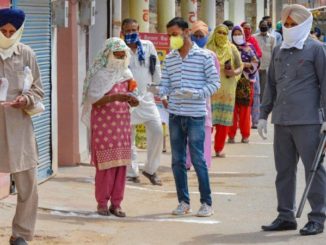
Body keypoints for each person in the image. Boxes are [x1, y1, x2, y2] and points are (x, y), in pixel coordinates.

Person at [258, 4, 326, 236]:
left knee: (313, 170)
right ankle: (285, 215)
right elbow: (272, 85)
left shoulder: (317, 50)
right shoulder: (279, 50)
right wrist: (263, 115)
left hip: (308, 120)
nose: (288, 28)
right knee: (284, 170)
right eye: (285, 25)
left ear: (304, 24)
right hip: (283, 120)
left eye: (293, 24)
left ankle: (317, 217)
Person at [155, 17, 219, 216]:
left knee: (198, 159)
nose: (171, 38)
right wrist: (159, 92)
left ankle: (206, 203)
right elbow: (165, 83)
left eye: (174, 34)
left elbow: (214, 84)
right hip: (175, 114)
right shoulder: (171, 58)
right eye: (169, 35)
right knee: (177, 160)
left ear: (186, 32)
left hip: (196, 115)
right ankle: (183, 201)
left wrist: (196, 93)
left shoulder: (204, 57)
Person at [0, 8, 44, 245]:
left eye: (12, 31)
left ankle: (21, 235)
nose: (7, 35)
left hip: (20, 127)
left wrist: (25, 99)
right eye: (3, 31)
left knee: (28, 184)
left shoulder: (27, 54)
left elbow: (38, 89)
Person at [82, 37, 139, 218]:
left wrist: (133, 99)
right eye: (117, 54)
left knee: (121, 165)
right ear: (108, 54)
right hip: (104, 125)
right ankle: (101, 203)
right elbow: (93, 99)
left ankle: (117, 203)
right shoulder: (99, 74)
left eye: (123, 54)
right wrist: (114, 98)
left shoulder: (126, 74)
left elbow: (133, 95)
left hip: (122, 124)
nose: (120, 58)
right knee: (106, 166)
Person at [121, 18, 163, 185]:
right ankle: (132, 172)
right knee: (128, 138)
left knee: (157, 130)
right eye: (128, 31)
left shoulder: (147, 46)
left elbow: (156, 68)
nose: (131, 33)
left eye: (134, 30)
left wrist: (161, 92)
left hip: (146, 98)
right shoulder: (120, 49)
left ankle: (151, 170)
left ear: (138, 29)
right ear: (122, 32)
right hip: (127, 100)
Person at [186, 20, 220, 169]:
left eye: (201, 35)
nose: (198, 38)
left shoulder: (211, 55)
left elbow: (215, 79)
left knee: (204, 129)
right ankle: (186, 162)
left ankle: (203, 161)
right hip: (186, 98)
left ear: (206, 37)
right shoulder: (184, 53)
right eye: (196, 35)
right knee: (186, 130)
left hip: (203, 99)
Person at [206, 24, 242, 157]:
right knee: (208, 121)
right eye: (219, 32)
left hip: (227, 90)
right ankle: (204, 148)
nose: (221, 35)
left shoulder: (232, 48)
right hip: (210, 91)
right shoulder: (207, 49)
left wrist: (233, 72)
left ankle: (219, 148)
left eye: (224, 33)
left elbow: (240, 66)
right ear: (215, 33)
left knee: (223, 122)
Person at [228, 26, 259, 144]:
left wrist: (244, 66)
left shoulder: (249, 48)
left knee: (245, 110)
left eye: (239, 33)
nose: (237, 36)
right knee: (232, 109)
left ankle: (245, 135)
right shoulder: (229, 48)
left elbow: (255, 63)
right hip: (231, 81)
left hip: (246, 82)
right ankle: (231, 135)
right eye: (235, 34)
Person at [241, 22, 262, 129]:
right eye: (245, 28)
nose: (247, 30)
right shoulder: (235, 43)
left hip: (253, 72)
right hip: (239, 74)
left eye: (249, 28)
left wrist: (249, 57)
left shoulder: (252, 41)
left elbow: (259, 54)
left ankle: (255, 121)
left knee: (255, 95)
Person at [253, 20, 276, 101]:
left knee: (265, 86)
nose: (264, 26)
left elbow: (274, 52)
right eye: (262, 25)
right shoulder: (254, 37)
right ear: (259, 26)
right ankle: (256, 102)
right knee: (255, 85)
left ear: (268, 27)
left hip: (267, 66)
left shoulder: (272, 38)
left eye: (265, 25)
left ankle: (263, 102)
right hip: (256, 66)